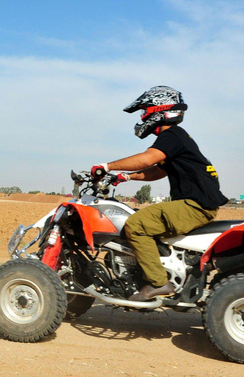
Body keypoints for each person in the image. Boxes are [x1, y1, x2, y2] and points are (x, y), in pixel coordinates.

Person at [91, 86, 228, 302]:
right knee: (144, 222)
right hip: (196, 204)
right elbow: (157, 170)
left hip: (194, 206)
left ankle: (157, 282)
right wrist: (127, 177)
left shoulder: (172, 135)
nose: (143, 116)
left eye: (145, 111)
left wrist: (106, 166)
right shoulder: (176, 138)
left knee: (136, 225)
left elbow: (147, 159)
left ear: (159, 109)